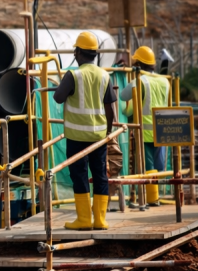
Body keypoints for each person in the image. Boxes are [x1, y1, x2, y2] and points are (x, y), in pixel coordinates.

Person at [53, 32, 116, 230]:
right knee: (100, 175)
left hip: (76, 137)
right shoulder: (104, 75)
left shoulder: (73, 75)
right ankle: (100, 220)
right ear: (95, 54)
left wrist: (63, 85)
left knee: (79, 175)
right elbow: (110, 109)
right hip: (98, 136)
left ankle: (83, 220)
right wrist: (107, 133)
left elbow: (58, 98)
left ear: (78, 52)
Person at [121, 46, 170, 205]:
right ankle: (157, 195)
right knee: (159, 165)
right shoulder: (165, 81)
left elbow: (123, 95)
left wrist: (131, 79)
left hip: (145, 131)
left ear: (139, 64)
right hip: (163, 129)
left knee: (148, 166)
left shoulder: (140, 80)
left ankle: (152, 199)